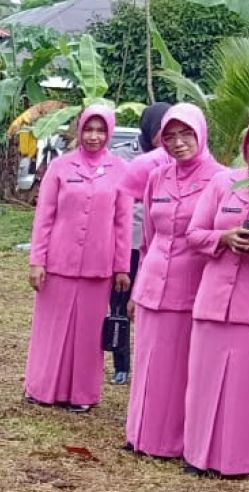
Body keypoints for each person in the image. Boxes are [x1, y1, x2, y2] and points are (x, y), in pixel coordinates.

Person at [125, 104, 222, 459]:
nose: (178, 143)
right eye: (170, 136)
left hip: (191, 285)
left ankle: (172, 441)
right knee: (147, 362)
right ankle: (139, 434)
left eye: (186, 134)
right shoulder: (157, 178)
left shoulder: (220, 179)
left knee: (178, 366)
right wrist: (137, 291)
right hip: (153, 283)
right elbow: (148, 239)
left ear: (201, 133)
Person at [26, 105, 133, 412]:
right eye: (88, 129)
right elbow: (44, 217)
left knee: (88, 334)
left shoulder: (120, 171)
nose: (94, 136)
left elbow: (123, 223)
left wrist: (121, 267)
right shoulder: (60, 167)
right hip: (58, 262)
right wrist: (37, 260)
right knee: (50, 328)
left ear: (109, 133)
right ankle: (41, 388)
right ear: (79, 130)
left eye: (101, 130)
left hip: (98, 266)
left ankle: (82, 395)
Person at [183, 110, 249, 476]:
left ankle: (243, 460)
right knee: (204, 383)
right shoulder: (223, 183)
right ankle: (198, 455)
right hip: (214, 301)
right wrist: (224, 237)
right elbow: (194, 234)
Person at [109, 102, 172, 385]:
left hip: (158, 247)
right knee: (120, 305)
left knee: (149, 308)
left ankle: (151, 365)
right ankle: (121, 364)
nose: (163, 136)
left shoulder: (176, 159)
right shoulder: (124, 156)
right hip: (128, 244)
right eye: (159, 130)